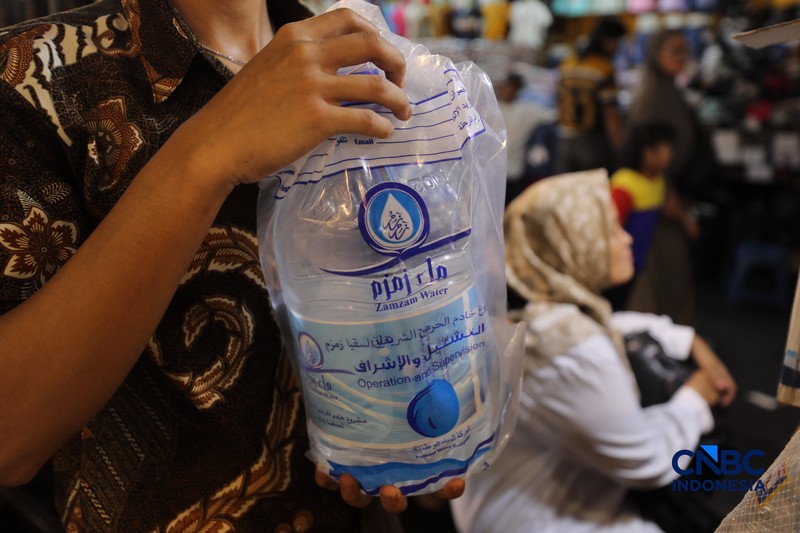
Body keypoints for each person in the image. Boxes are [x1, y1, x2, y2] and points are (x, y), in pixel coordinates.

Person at [0, 1, 463, 531]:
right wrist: (209, 150)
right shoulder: (34, 75)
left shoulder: (358, 47)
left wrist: (419, 431)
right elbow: (11, 437)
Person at [450, 170, 736, 533]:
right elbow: (646, 460)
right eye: (613, 229)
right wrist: (696, 398)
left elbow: (617, 323)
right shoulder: (571, 352)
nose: (627, 238)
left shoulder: (532, 317)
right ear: (573, 241)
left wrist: (692, 342)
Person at [625, 29, 713, 325]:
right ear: (655, 54)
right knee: (661, 278)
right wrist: (674, 206)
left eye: (684, 50)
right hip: (658, 202)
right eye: (673, 50)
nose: (681, 57)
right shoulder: (652, 98)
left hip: (669, 196)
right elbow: (646, 159)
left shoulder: (670, 92)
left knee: (673, 278)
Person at [605, 121, 675, 310]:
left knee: (622, 303)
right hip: (616, 263)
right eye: (664, 148)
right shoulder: (625, 184)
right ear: (646, 152)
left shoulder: (657, 180)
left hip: (636, 261)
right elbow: (609, 226)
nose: (670, 155)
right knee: (612, 305)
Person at [555, 17, 626, 174]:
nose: (617, 47)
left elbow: (558, 102)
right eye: (617, 41)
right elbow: (610, 115)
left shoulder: (568, 63)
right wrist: (620, 150)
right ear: (607, 40)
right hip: (592, 143)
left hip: (565, 141)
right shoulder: (603, 68)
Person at [496, 72, 555, 205]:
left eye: (511, 87)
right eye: (506, 86)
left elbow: (553, 115)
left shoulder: (528, 110)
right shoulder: (491, 108)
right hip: (494, 173)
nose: (507, 90)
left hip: (515, 173)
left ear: (517, 89)